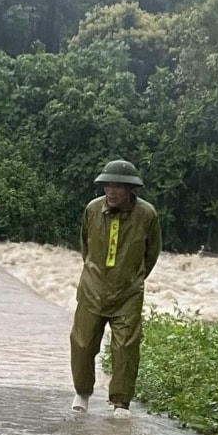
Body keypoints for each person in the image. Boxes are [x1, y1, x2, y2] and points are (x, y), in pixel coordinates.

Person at [70, 159, 162, 417]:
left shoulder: (147, 215)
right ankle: (82, 392)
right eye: (107, 186)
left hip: (128, 293)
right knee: (82, 342)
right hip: (92, 288)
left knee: (126, 347)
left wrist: (133, 278)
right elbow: (85, 247)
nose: (111, 191)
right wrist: (95, 274)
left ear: (131, 189)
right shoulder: (92, 209)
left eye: (118, 187)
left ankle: (121, 402)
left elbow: (151, 253)